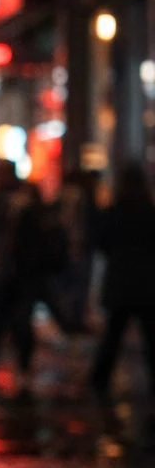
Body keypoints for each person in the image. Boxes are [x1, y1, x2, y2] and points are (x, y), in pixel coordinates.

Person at [0, 180, 52, 394]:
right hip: (11, 276)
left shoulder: (30, 217)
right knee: (2, 321)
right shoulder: (6, 215)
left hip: (20, 276)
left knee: (14, 322)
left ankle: (11, 365)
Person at [90, 161, 155, 396]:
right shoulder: (149, 211)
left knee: (113, 336)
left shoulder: (116, 211)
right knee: (149, 337)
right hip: (147, 283)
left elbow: (101, 241)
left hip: (121, 281)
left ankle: (99, 382)